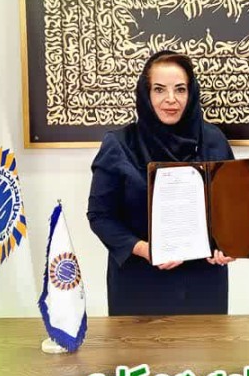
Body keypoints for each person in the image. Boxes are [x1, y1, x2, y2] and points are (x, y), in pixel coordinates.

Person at [87, 50, 234, 315]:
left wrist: (229, 245)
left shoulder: (214, 141)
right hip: (139, 283)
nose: (171, 99)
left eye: (180, 89)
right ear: (146, 94)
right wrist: (146, 250)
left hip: (203, 283)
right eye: (159, 89)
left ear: (191, 93)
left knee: (205, 344)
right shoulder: (120, 144)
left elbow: (232, 210)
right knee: (140, 344)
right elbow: (100, 216)